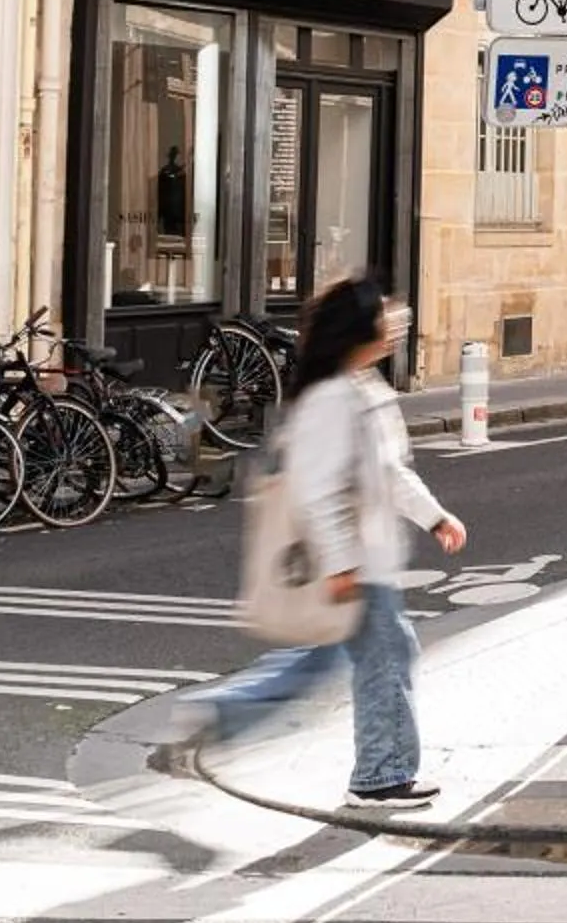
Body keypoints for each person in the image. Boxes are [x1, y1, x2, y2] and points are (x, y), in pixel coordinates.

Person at [186, 274, 467, 809]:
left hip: (369, 559)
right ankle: (380, 776)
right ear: (357, 331)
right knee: (384, 658)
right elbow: (318, 491)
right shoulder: (332, 399)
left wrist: (435, 518)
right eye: (383, 322)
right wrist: (341, 564)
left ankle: (226, 714)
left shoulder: (364, 389)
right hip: (357, 563)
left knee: (332, 659)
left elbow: (390, 472)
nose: (393, 329)